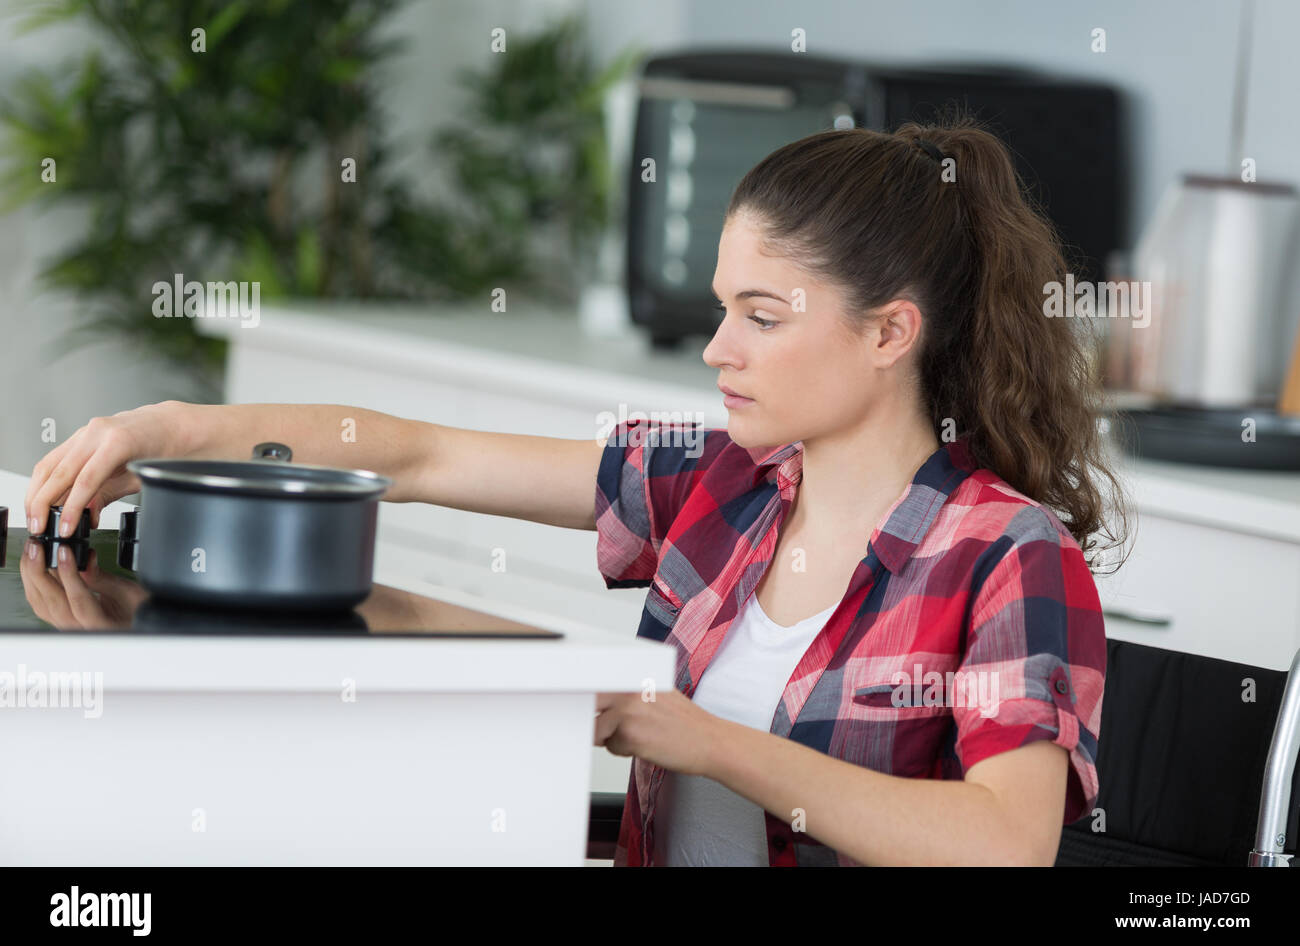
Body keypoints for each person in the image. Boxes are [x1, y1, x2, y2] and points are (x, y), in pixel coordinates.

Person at [24, 114, 1131, 867]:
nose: (717, 349)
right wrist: (172, 426)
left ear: (890, 331)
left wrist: (701, 737)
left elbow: (1002, 843)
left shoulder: (1008, 553)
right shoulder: (724, 483)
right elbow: (412, 457)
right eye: (720, 307)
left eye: (761, 313)